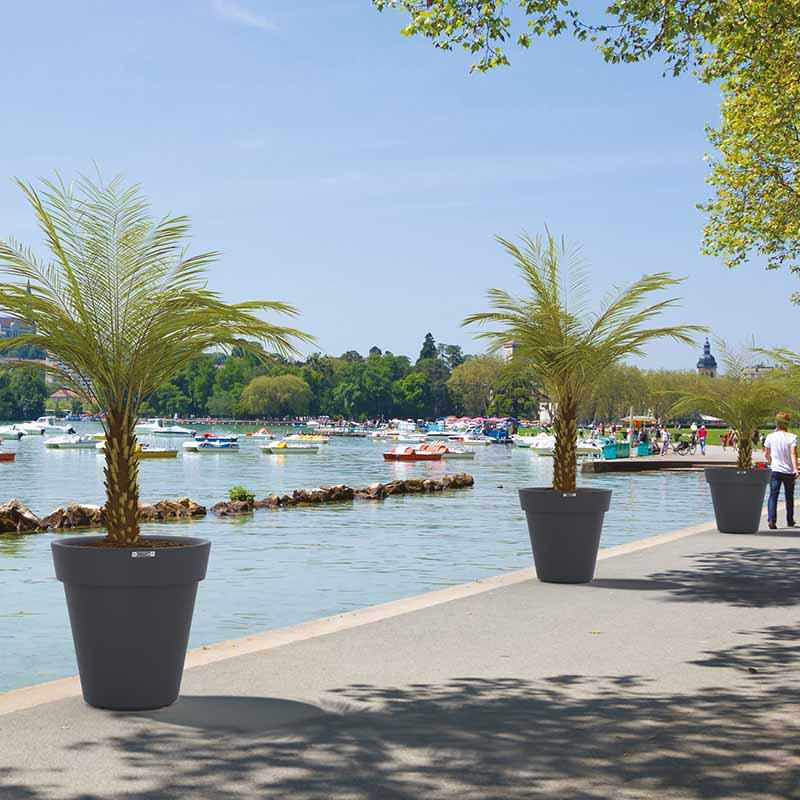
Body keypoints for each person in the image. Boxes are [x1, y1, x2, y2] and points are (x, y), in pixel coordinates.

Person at [764, 412, 798, 530]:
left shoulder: (770, 437)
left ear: (776, 422)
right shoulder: (792, 437)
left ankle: (772, 520)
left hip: (775, 470)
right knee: (789, 496)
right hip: (789, 471)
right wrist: (795, 469)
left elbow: (766, 454)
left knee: (773, 495)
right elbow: (793, 454)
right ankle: (790, 520)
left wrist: (771, 462)